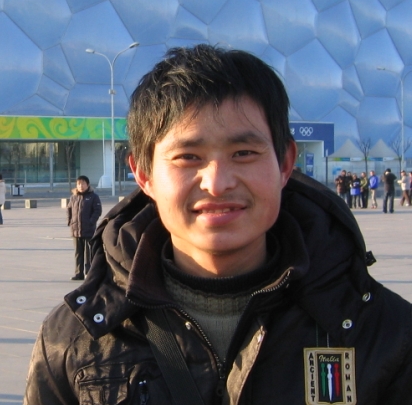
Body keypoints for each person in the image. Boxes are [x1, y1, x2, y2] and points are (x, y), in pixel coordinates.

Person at [24, 45, 412, 405]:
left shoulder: (384, 333)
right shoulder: (74, 340)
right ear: (144, 175)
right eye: (188, 157)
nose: (217, 182)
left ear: (284, 164)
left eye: (243, 152)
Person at [66, 175, 102, 280]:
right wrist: (70, 221)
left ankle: (89, 273)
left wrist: (91, 221)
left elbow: (97, 211)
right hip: (75, 229)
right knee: (78, 253)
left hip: (88, 229)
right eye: (79, 184)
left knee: (88, 253)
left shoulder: (93, 197)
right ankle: (79, 273)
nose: (81, 186)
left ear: (88, 185)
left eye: (83, 183)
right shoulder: (73, 197)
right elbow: (69, 209)